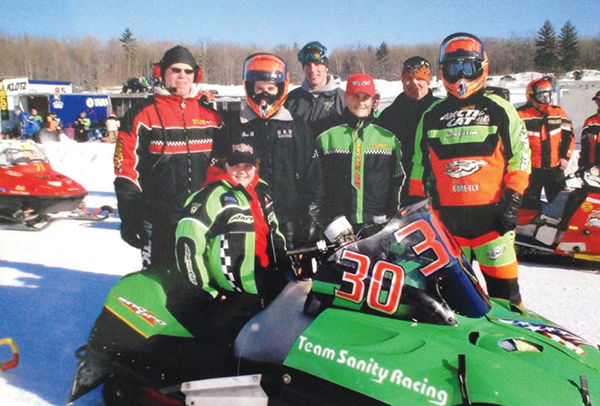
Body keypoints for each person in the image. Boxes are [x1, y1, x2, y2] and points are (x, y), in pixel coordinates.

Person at [409, 33, 531, 305]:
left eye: (467, 67)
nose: (461, 75)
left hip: (493, 224)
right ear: (443, 72)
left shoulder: (501, 109)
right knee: (452, 306)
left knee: (508, 301)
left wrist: (512, 201)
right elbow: (419, 166)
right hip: (448, 228)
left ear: (482, 67)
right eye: (454, 69)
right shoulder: (432, 114)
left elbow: (520, 158)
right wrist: (416, 204)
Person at [172, 141, 290, 371]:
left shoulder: (262, 192)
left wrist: (287, 269)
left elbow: (275, 233)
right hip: (229, 291)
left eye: (248, 165)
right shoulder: (212, 194)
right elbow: (187, 244)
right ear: (224, 164)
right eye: (235, 164)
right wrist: (203, 293)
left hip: (264, 282)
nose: (242, 170)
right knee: (223, 350)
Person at [114, 45, 223, 268]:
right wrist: (130, 216)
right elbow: (125, 170)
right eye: (175, 70)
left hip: (203, 217)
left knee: (202, 280)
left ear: (196, 76)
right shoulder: (141, 114)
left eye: (188, 71)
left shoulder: (212, 117)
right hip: (158, 219)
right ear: (162, 73)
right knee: (159, 278)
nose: (182, 76)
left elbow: (224, 167)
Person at [223, 52, 322, 249]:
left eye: (270, 88)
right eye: (259, 88)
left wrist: (312, 217)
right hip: (246, 219)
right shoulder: (234, 126)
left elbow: (313, 175)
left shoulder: (297, 127)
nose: (264, 94)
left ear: (280, 89)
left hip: (288, 220)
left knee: (290, 277)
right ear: (250, 88)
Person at [316, 72, 404, 234]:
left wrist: (392, 218)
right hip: (338, 228)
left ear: (373, 100)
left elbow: (396, 183)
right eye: (355, 96)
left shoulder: (388, 138)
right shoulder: (327, 137)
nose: (361, 103)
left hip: (378, 226)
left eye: (366, 97)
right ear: (346, 97)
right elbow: (317, 186)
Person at [377, 56, 440, 204]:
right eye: (408, 78)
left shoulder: (440, 110)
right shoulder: (389, 114)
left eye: (420, 78)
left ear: (428, 81)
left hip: (436, 190)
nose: (414, 83)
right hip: (400, 192)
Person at [517, 77, 574, 212]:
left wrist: (565, 157)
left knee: (560, 206)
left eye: (548, 96)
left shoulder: (558, 112)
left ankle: (557, 232)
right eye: (542, 96)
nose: (546, 99)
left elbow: (569, 136)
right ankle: (526, 232)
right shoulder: (520, 114)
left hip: (554, 170)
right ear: (531, 96)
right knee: (527, 208)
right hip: (531, 171)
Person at [285, 41, 346, 136]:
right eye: (308, 65)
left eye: (317, 64)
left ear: (326, 67)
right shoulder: (292, 99)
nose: (312, 70)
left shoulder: (342, 98)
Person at [578, 90, 600, 172]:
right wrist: (582, 164)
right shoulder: (590, 122)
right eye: (598, 101)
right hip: (592, 167)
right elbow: (584, 146)